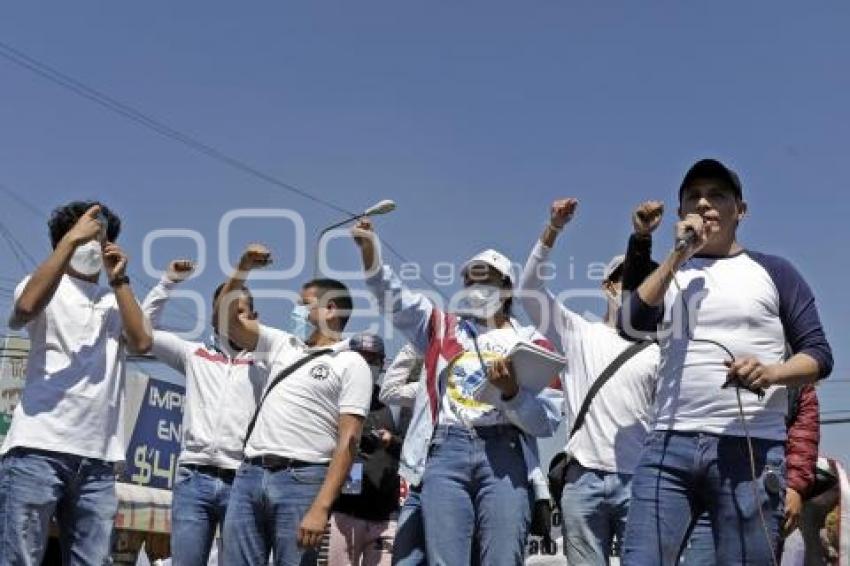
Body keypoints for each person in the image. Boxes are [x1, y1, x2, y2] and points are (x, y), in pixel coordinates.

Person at [619, 159, 834, 565]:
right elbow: (630, 324)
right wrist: (678, 256)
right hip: (668, 444)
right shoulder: (671, 274)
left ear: (741, 210)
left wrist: (772, 373)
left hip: (750, 449)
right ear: (681, 213)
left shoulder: (775, 272)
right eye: (693, 198)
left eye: (716, 195)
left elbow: (819, 356)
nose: (704, 204)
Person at [352, 219, 561, 566]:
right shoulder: (440, 327)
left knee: (503, 559)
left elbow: (548, 421)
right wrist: (370, 253)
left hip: (505, 454)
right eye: (469, 279)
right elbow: (393, 297)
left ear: (506, 288)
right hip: (445, 452)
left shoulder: (534, 343)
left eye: (486, 279)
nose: (475, 285)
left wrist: (512, 394)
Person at [0, 201, 152, 565]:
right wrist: (69, 242)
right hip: (37, 448)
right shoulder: (41, 285)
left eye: (102, 239)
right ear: (64, 240)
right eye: (87, 237)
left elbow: (142, 343)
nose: (93, 247)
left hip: (98, 461)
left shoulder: (116, 299)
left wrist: (120, 279)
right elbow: (23, 311)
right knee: (19, 558)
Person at [518, 199, 662, 565]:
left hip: (640, 482)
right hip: (582, 482)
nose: (633, 288)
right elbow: (528, 290)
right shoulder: (576, 332)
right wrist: (552, 230)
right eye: (625, 278)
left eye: (644, 282)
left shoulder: (660, 350)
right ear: (607, 286)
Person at [219, 244, 373, 566]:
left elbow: (349, 440)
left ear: (330, 310)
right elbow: (227, 321)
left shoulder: (350, 363)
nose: (296, 313)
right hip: (249, 475)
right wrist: (242, 268)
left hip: (302, 482)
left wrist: (321, 507)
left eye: (304, 305)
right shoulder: (280, 344)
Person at [140, 259, 268, 565]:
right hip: (192, 479)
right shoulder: (194, 354)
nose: (231, 319)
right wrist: (167, 282)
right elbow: (143, 331)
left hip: (242, 480)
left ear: (254, 316)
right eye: (223, 312)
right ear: (213, 318)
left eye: (238, 311)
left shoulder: (267, 363)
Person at [328, 334, 406, 566]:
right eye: (361, 358)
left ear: (382, 364)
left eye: (373, 359)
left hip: (385, 513)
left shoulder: (393, 403)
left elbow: (415, 449)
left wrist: (391, 441)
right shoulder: (334, 400)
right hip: (345, 510)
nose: (366, 365)